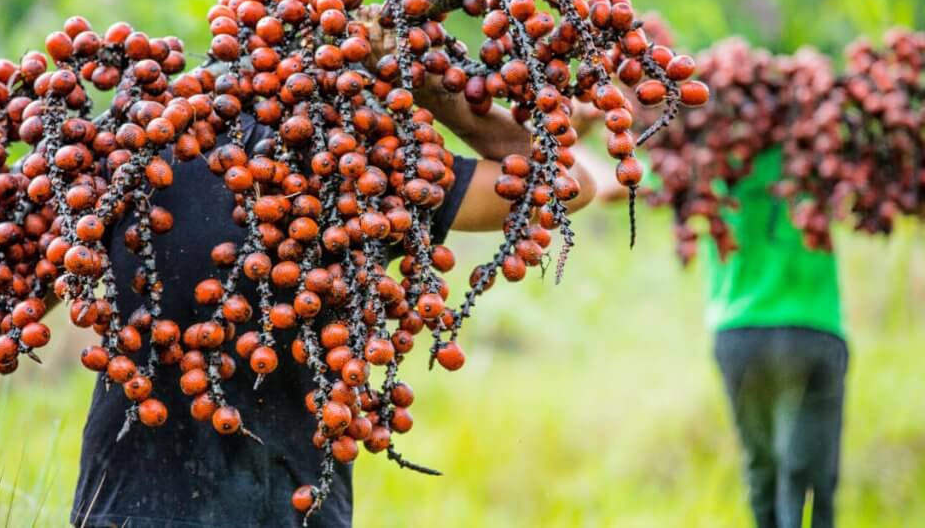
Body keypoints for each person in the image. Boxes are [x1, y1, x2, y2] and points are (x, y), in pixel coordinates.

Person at [68, 68, 600, 527]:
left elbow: (6, 291)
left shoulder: (128, 154)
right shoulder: (370, 175)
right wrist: (431, 87)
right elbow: (564, 182)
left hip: (131, 503)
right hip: (279, 505)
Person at [592, 142, 847, 528]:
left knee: (764, 469)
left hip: (742, 330)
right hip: (815, 327)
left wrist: (573, 134)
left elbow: (612, 187)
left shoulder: (713, 149)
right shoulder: (820, 147)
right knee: (811, 479)